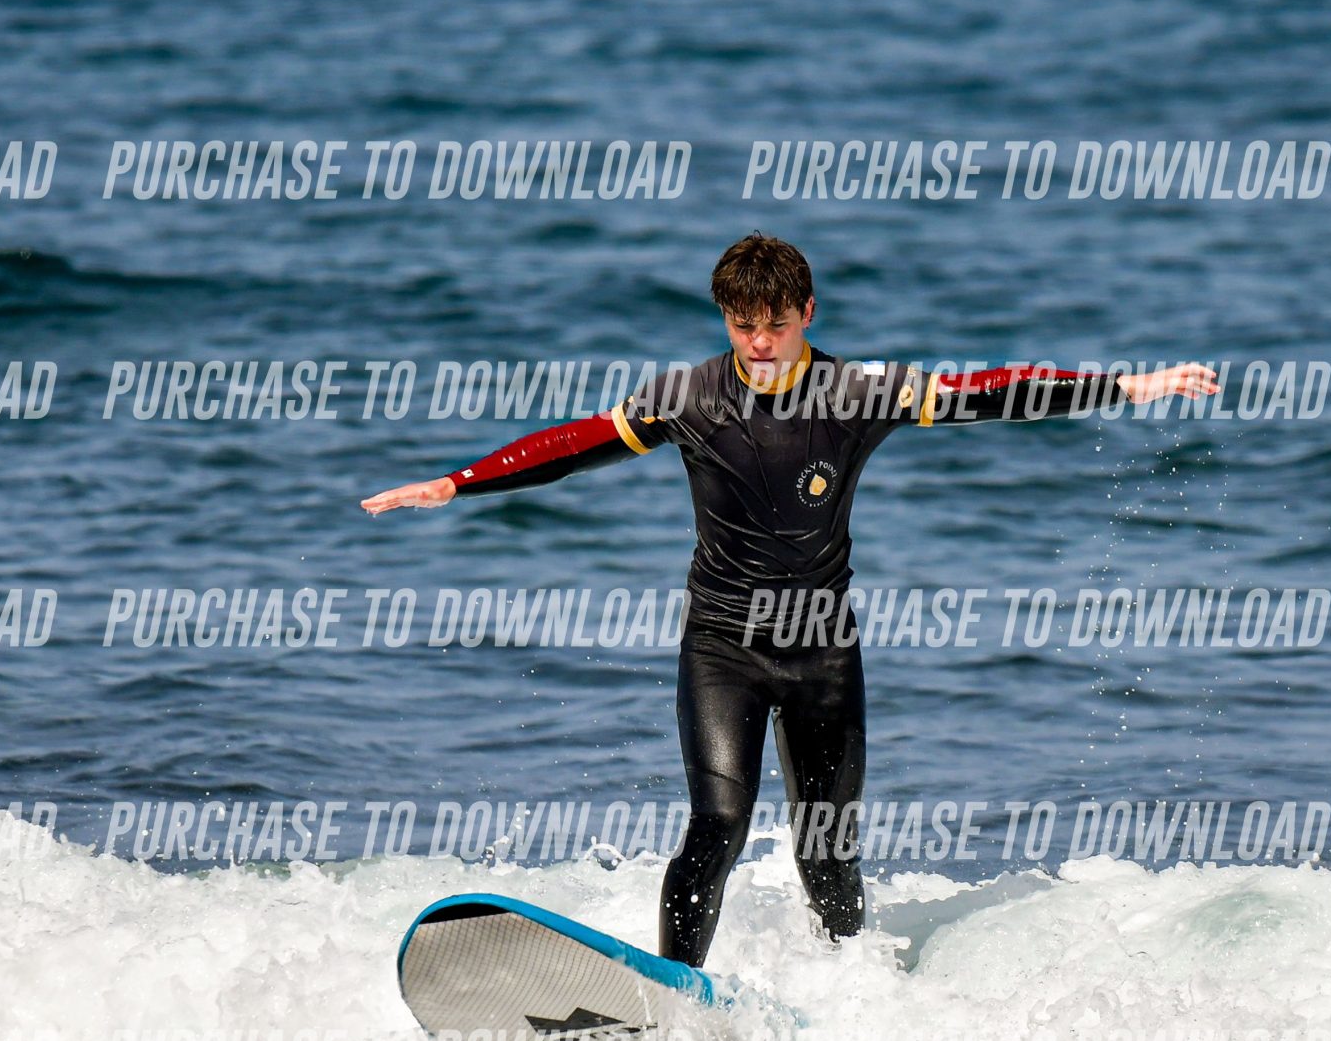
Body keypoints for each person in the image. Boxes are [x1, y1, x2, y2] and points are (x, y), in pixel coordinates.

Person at [363, 234, 1216, 966]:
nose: (761, 342)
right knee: (718, 825)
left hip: (823, 653)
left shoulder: (856, 393)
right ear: (725, 319)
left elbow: (989, 391)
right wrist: (459, 482)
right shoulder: (688, 398)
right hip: (722, 647)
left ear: (808, 311)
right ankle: (675, 991)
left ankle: (851, 993)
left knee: (829, 857)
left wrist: (1126, 387)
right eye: (744, 325)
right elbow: (577, 443)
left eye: (776, 323)